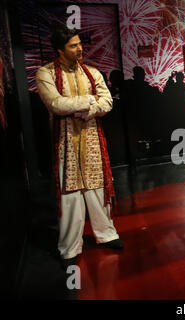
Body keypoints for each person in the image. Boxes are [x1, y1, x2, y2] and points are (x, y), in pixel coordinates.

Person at [36, 25, 123, 268]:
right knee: (70, 194)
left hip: (93, 135)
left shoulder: (92, 73)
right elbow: (55, 104)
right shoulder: (46, 74)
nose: (80, 49)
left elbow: (108, 103)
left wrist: (90, 109)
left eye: (79, 44)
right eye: (73, 46)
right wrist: (89, 100)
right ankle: (69, 246)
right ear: (59, 50)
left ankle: (106, 234)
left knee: (97, 187)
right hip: (65, 139)